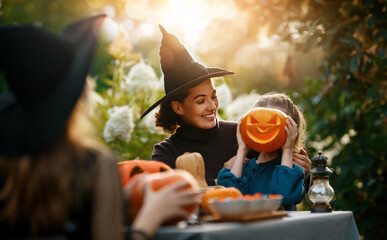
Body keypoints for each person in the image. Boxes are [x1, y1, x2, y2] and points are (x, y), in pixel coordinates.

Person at [0, 15, 199, 240]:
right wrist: (149, 217)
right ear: (76, 98)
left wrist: (121, 198)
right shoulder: (93, 167)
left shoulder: (7, 167)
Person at [140, 26, 311, 186]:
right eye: (201, 101)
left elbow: (279, 186)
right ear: (178, 107)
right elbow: (164, 196)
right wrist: (223, 177)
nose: (212, 105)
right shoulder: (166, 153)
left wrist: (303, 173)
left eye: (213, 96)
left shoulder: (244, 135)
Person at [217, 92, 306, 210]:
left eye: (274, 123)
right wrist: (242, 149)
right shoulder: (245, 167)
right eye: (256, 121)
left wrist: (287, 150)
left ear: (292, 130)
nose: (264, 128)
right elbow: (229, 196)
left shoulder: (291, 169)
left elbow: (283, 195)